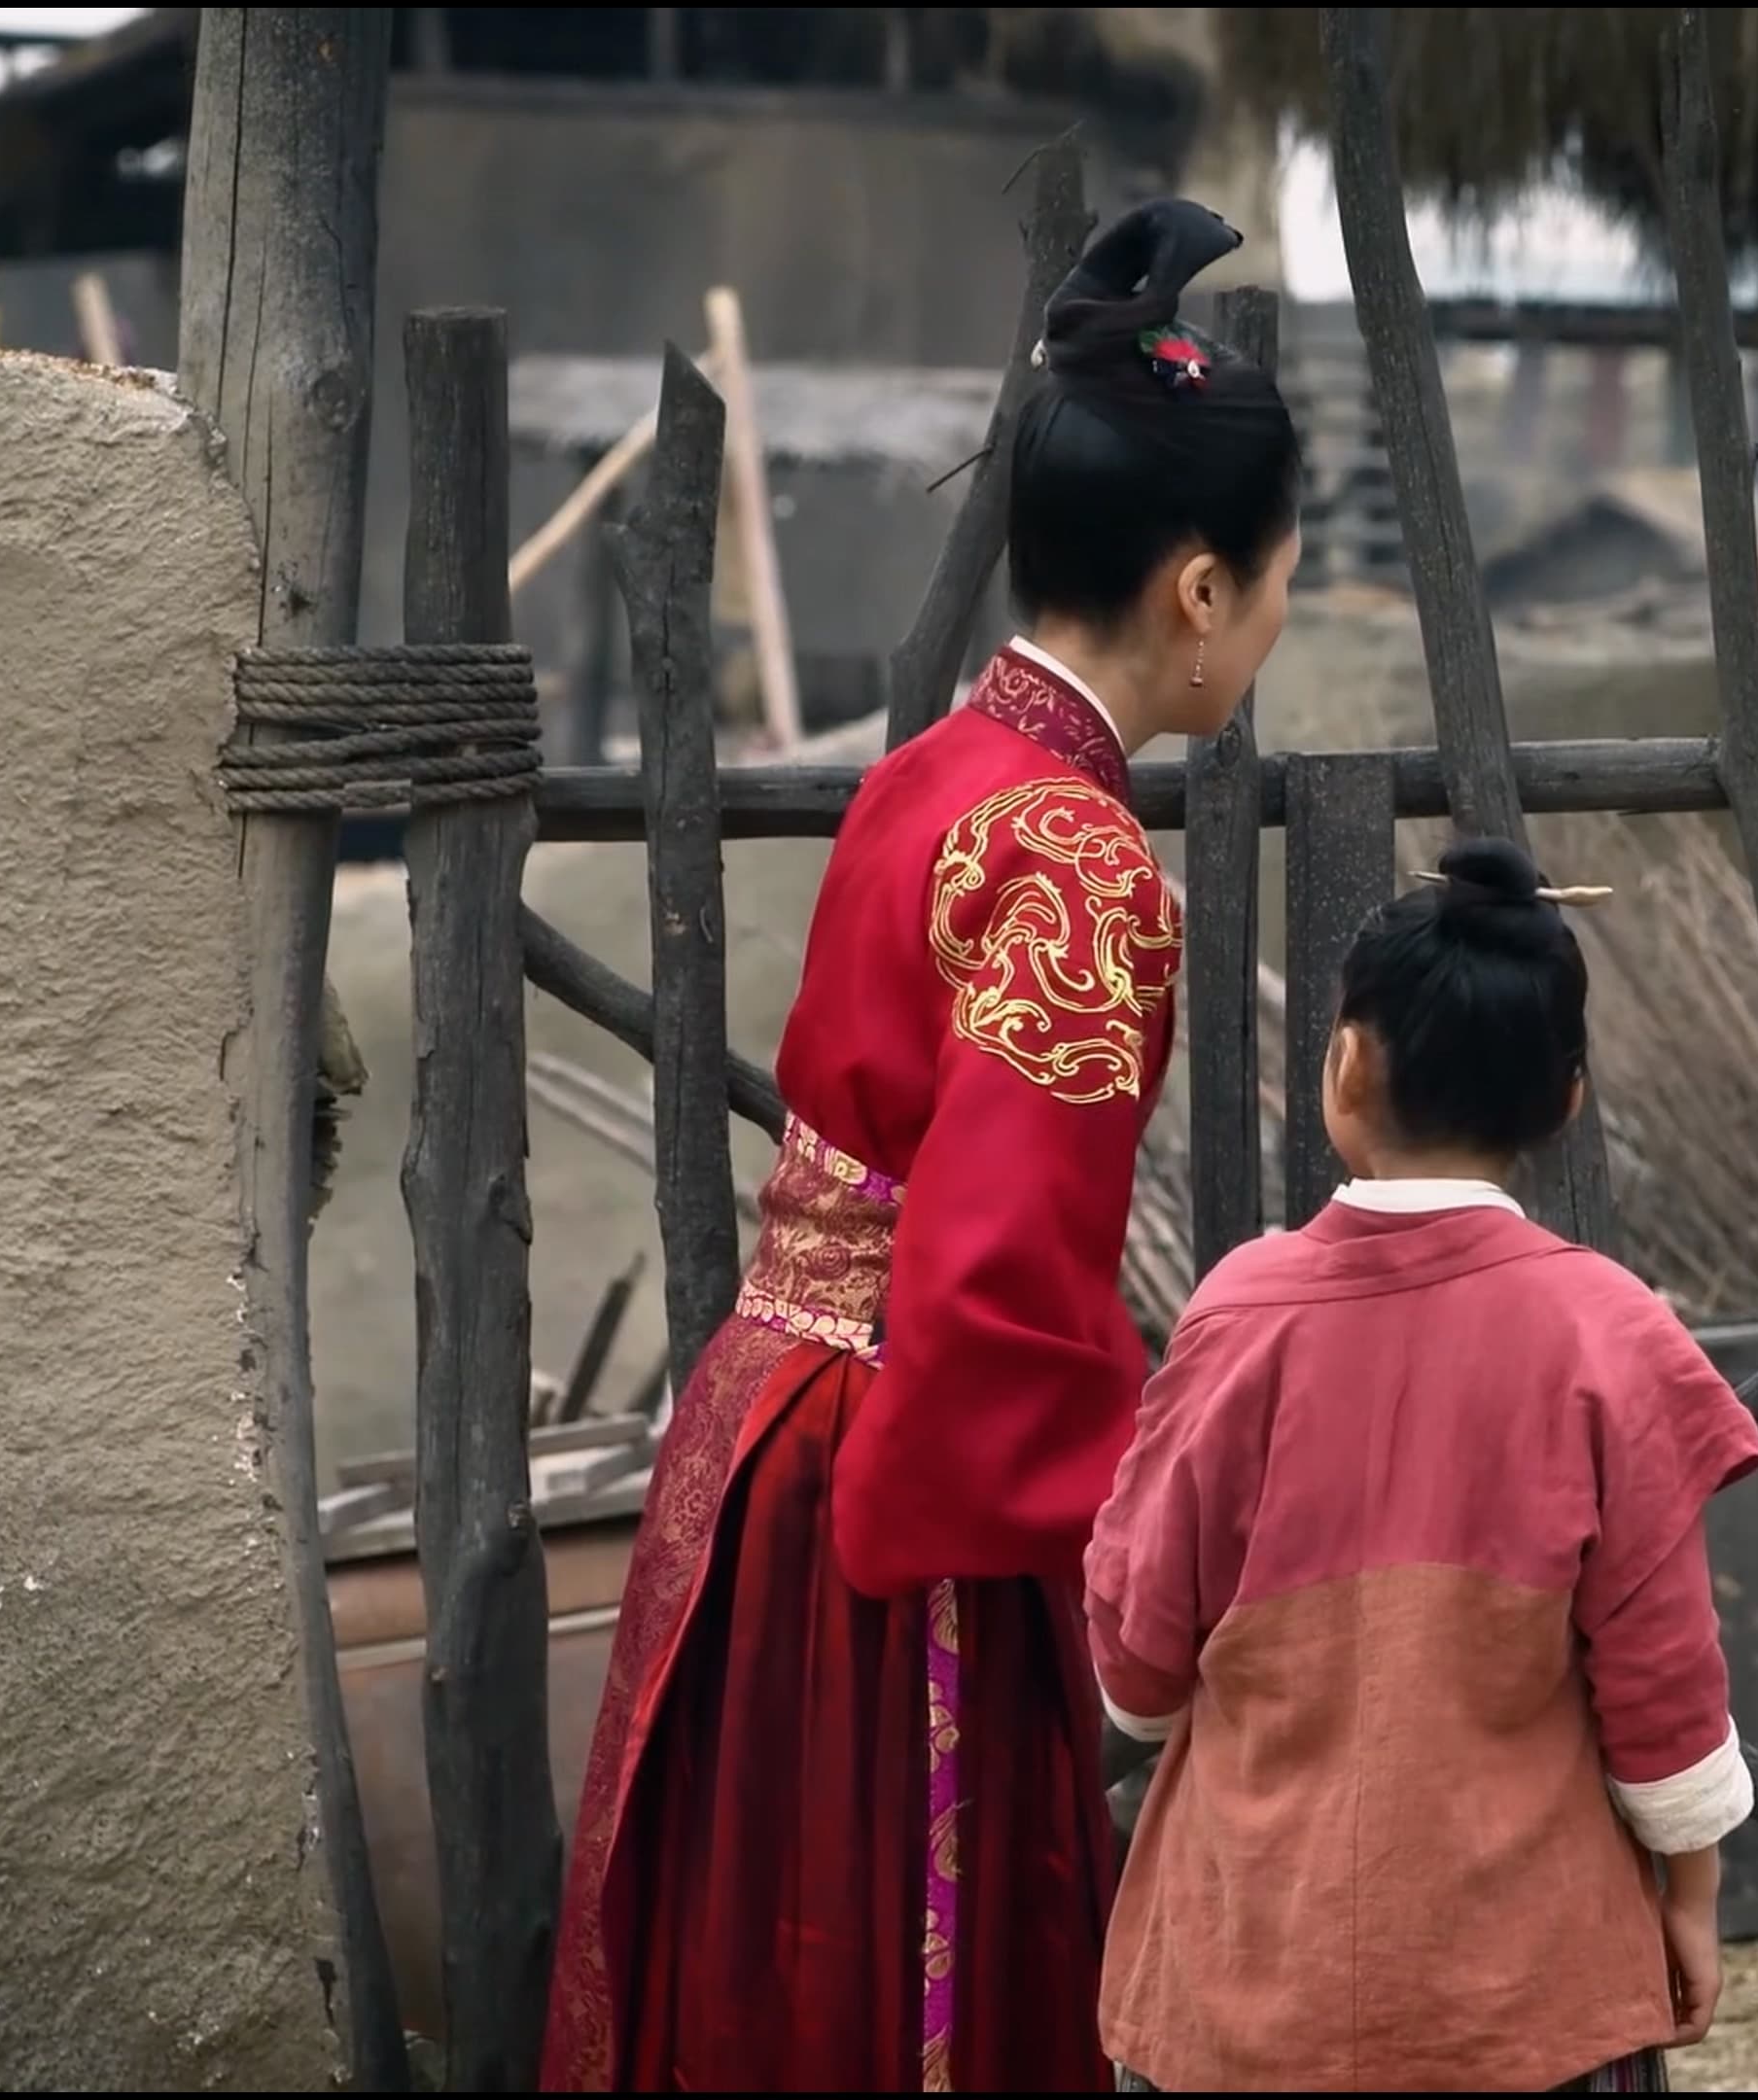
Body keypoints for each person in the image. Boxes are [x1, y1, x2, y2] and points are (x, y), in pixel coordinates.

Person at [542, 196, 1302, 2093]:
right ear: (1203, 591)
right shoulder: (1075, 859)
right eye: (1282, 577)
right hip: (905, 1507)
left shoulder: (934, 772)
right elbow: (998, 1283)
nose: (1278, 617)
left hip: (772, 1430)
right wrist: (1130, 1554)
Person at [1084, 839, 1758, 2093]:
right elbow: (1664, 1680)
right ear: (1568, 1098)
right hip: (1528, 1994)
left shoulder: (1240, 1316)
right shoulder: (1610, 1333)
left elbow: (1136, 1660)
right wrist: (1691, 1893)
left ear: (1346, 1064)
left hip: (1250, 1980)